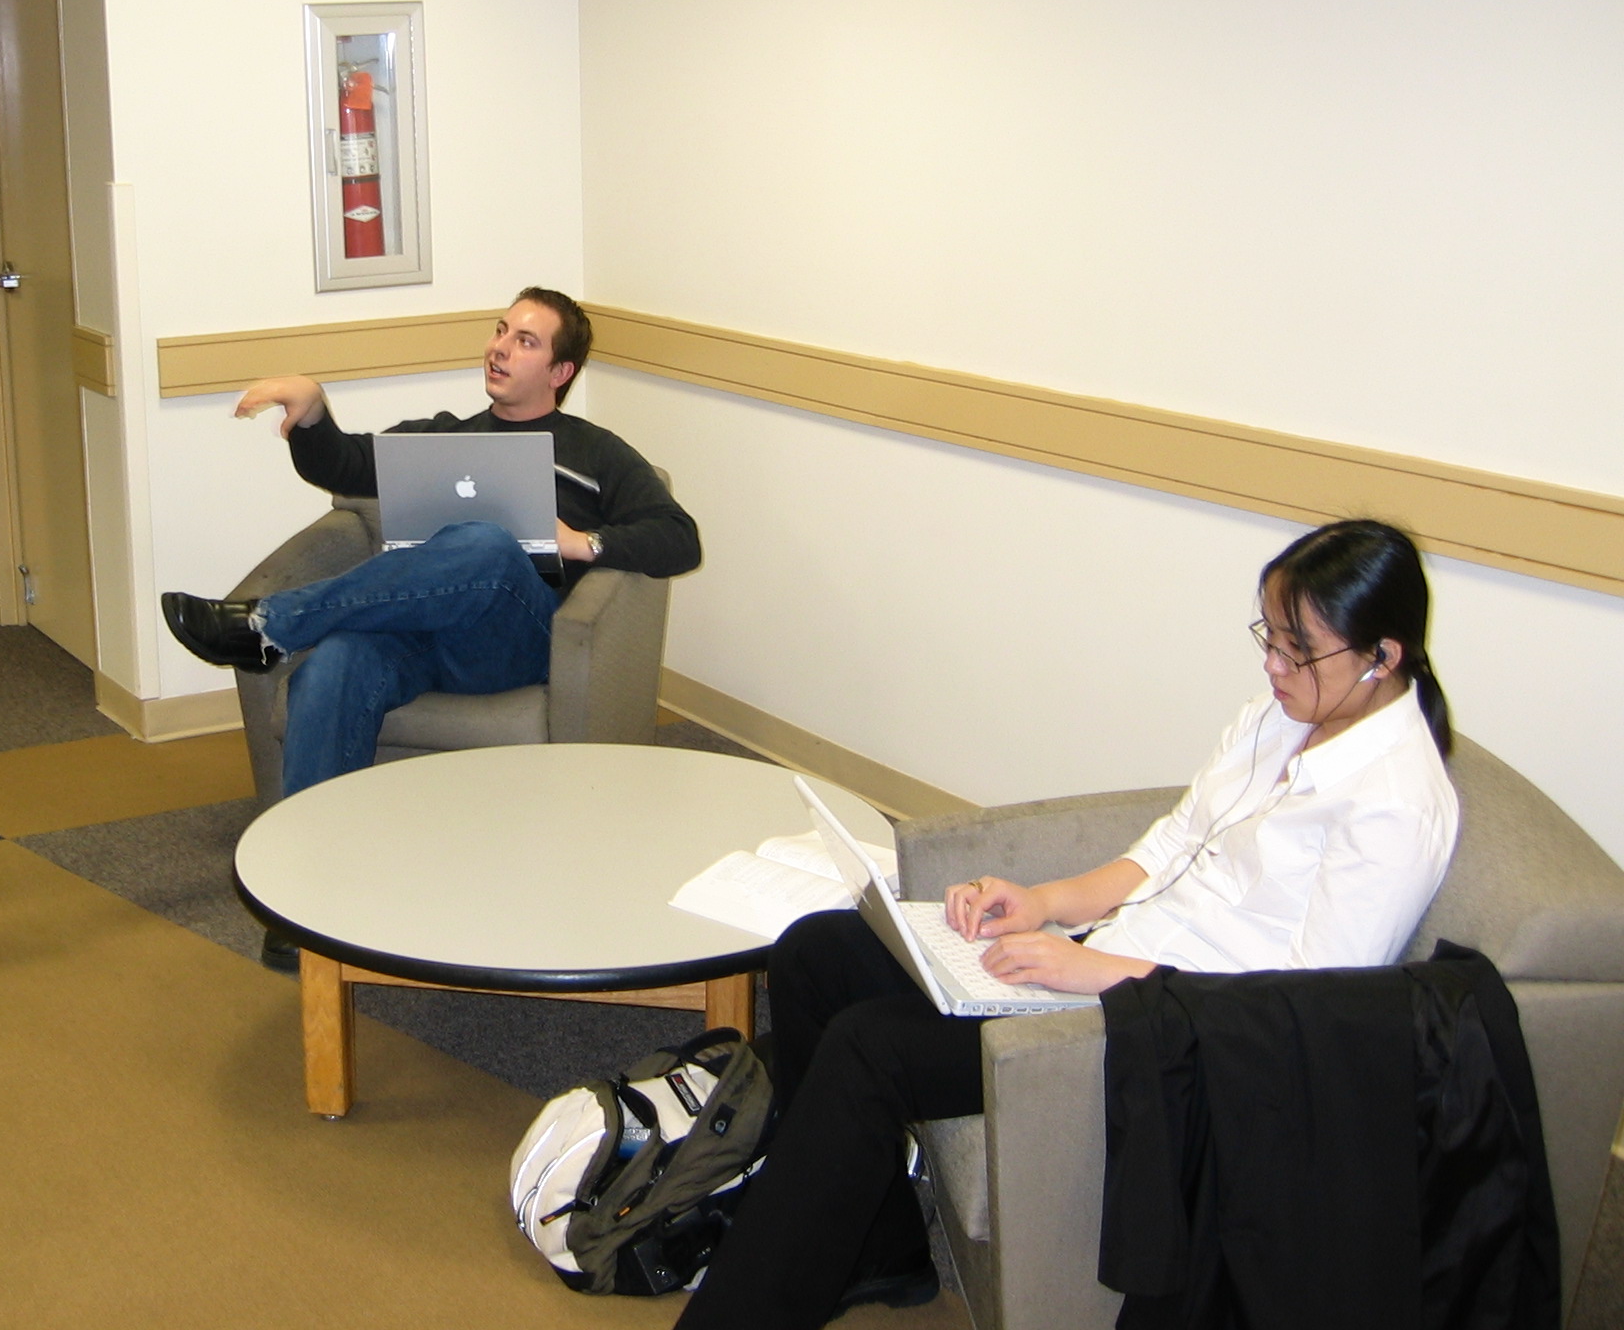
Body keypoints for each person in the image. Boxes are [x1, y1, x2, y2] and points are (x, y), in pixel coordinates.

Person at [676, 519, 1461, 1328]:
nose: (1273, 665)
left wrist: (1095, 974)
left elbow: (1302, 1010)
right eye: (1271, 637)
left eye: (1300, 650)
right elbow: (1168, 848)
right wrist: (1044, 903)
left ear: (1382, 656)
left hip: (1178, 1040)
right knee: (817, 952)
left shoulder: (1395, 806)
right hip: (1106, 965)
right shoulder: (1280, 718)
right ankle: (880, 1248)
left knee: (873, 1047)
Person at [159, 288, 701, 803]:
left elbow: (679, 538)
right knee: (335, 662)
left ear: (559, 372)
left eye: (525, 342)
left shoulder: (597, 453)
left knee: (488, 543)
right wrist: (313, 409)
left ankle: (269, 624)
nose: (500, 348)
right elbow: (345, 465)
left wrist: (583, 542)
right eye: (501, 331)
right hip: (423, 637)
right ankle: (308, 843)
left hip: (516, 640)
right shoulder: (442, 438)